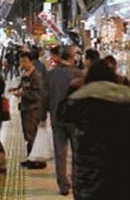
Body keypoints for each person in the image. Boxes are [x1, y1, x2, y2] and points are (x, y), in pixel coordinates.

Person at [57, 60, 130, 200]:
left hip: (88, 178)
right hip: (122, 173)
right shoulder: (125, 99)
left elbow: (61, 114)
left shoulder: (79, 100)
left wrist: (75, 89)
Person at [40, 45, 83, 195]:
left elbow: (44, 97)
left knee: (60, 151)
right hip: (76, 119)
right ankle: (77, 182)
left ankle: (63, 184)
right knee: (77, 152)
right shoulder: (80, 75)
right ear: (72, 59)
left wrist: (41, 116)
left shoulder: (51, 75)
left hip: (57, 117)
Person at [13, 52, 46, 169]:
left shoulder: (36, 76)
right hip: (26, 107)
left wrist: (23, 93)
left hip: (33, 109)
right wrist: (17, 90)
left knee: (32, 134)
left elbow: (38, 94)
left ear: (31, 62)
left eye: (24, 61)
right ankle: (30, 158)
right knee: (28, 134)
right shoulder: (26, 75)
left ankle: (36, 160)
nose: (22, 64)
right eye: (21, 61)